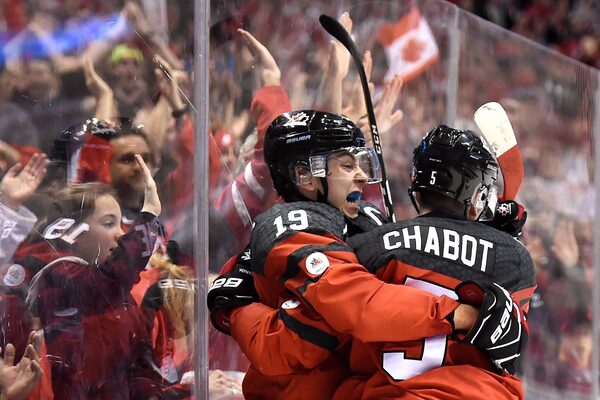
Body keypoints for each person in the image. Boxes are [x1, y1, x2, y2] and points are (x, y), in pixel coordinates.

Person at [208, 111, 526, 399]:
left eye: (361, 163)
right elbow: (358, 306)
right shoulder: (291, 225)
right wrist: (459, 314)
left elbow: (415, 266)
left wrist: (483, 224)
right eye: (348, 165)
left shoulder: (366, 220)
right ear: (305, 176)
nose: (361, 176)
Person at [20, 154, 162, 399]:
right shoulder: (56, 278)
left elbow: (141, 371)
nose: (121, 234)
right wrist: (148, 216)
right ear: (72, 233)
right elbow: (112, 278)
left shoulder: (117, 293)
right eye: (108, 224)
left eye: (121, 224)